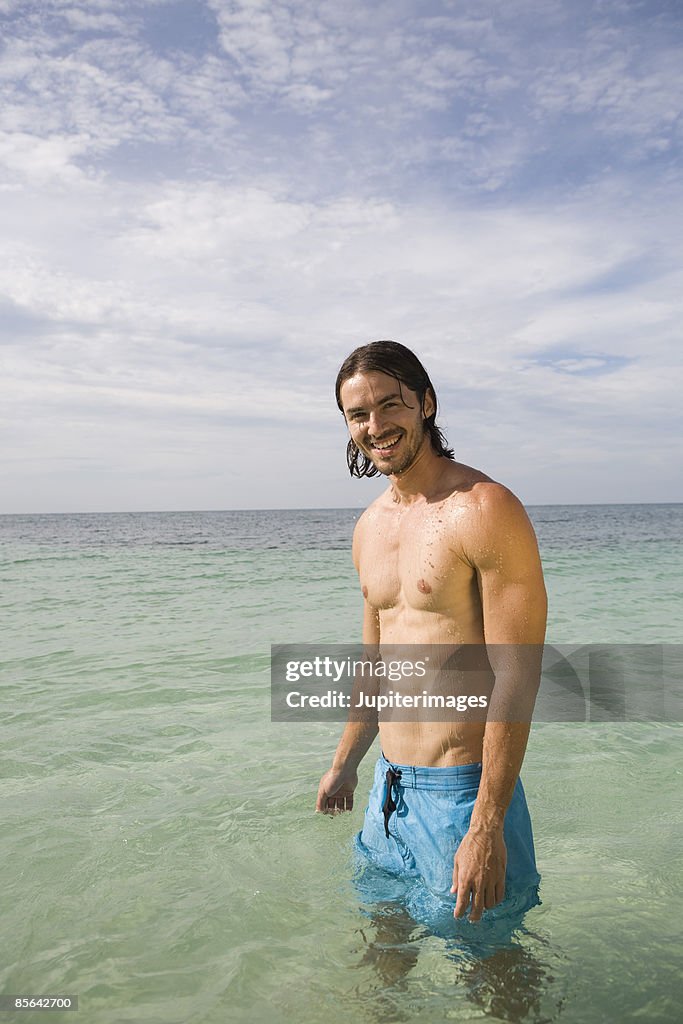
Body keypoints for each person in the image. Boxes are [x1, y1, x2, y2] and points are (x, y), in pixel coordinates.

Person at [316, 340, 547, 929]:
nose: (376, 426)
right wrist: (345, 764)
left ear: (426, 403)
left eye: (390, 405)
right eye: (358, 414)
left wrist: (486, 824)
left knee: (492, 974)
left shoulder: (484, 508)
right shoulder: (368, 527)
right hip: (387, 793)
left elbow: (517, 674)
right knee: (381, 959)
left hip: (462, 796)